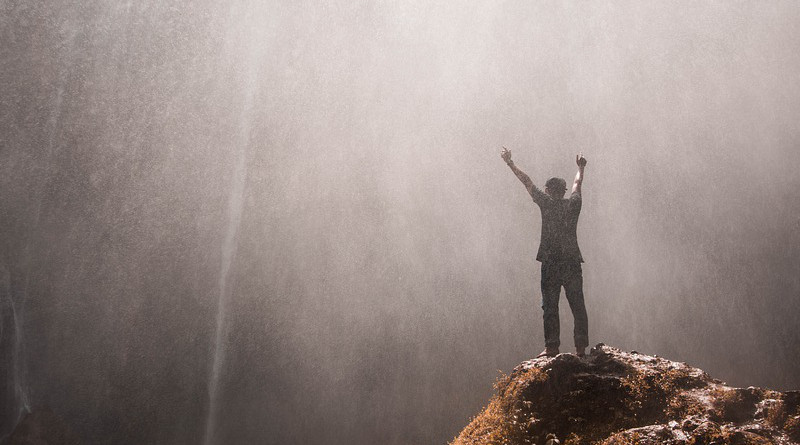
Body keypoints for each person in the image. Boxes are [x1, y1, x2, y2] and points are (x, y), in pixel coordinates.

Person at [500, 147, 589, 358]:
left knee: (550, 305)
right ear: (564, 191)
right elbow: (578, 183)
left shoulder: (547, 204)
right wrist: (581, 167)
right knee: (578, 305)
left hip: (551, 262)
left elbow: (527, 181)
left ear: (548, 190)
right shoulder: (574, 204)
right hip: (571, 261)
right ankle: (581, 348)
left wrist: (510, 163)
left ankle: (551, 347)